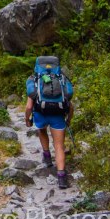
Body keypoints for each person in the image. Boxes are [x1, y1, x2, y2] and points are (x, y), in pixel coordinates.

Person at [25, 56, 74, 189]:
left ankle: (47, 156)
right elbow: (70, 105)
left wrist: (27, 120)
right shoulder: (61, 79)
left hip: (40, 114)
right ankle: (62, 178)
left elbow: (29, 107)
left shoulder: (34, 79)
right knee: (59, 146)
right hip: (58, 115)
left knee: (42, 130)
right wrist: (68, 119)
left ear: (37, 66)